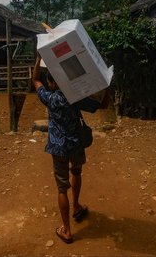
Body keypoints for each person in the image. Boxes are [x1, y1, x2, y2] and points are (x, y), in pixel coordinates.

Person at [32, 54, 109, 244]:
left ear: (51, 83)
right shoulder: (76, 97)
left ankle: (66, 230)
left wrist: (38, 59)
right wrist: (105, 84)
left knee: (61, 188)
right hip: (76, 144)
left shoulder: (49, 99)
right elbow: (104, 104)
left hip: (58, 148)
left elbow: (34, 80)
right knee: (77, 172)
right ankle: (76, 206)